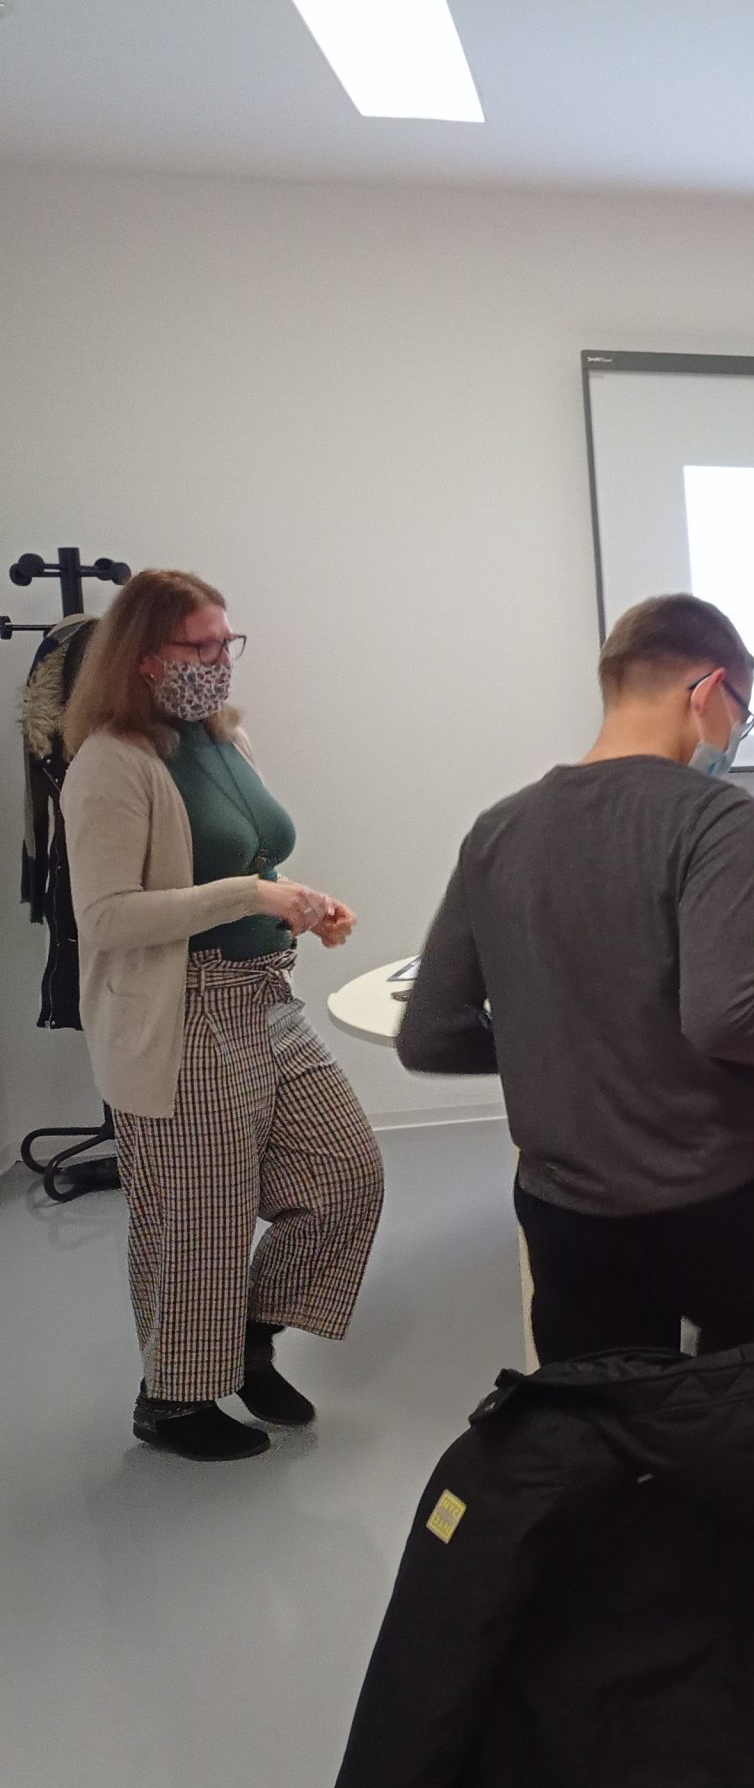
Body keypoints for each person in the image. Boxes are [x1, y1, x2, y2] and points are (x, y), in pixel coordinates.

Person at [399, 595, 754, 1364]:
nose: (734, 737)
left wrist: (558, 1044)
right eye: (742, 715)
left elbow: (428, 1033)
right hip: (722, 1191)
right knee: (745, 1397)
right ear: (707, 691)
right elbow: (724, 1012)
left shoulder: (496, 829)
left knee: (602, 1413)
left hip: (567, 1204)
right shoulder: (716, 813)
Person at [60, 570, 383, 1462]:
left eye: (225, 642)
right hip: (182, 1015)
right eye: (198, 646)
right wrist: (251, 895)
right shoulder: (109, 765)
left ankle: (242, 1340)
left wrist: (299, 903)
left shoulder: (220, 738)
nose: (218, 661)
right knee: (200, 1217)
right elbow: (107, 917)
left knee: (346, 1173)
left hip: (263, 995)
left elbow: (249, 855)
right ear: (143, 657)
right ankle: (171, 1400)